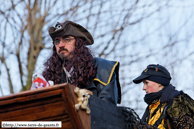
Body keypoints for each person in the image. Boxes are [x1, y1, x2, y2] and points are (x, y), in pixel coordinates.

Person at [41, 21, 121, 105]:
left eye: (67, 39)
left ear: (79, 43)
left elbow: (108, 109)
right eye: (57, 41)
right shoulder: (49, 77)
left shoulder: (103, 68)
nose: (61, 45)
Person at [133, 64, 194, 129]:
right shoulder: (153, 106)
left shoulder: (176, 102)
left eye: (146, 83)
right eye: (143, 83)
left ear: (159, 83)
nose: (143, 88)